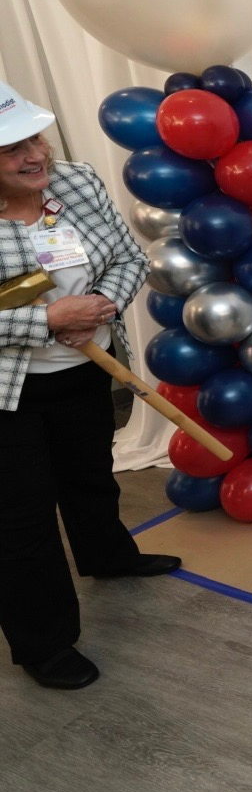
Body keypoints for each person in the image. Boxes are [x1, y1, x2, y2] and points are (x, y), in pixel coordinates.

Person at [0, 81, 181, 690]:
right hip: (8, 394)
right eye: (9, 149)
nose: (34, 155)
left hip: (85, 371)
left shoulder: (75, 181)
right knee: (21, 522)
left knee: (89, 476)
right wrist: (47, 319)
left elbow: (129, 257)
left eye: (34, 137)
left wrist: (100, 304)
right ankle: (44, 644)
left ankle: (108, 556)